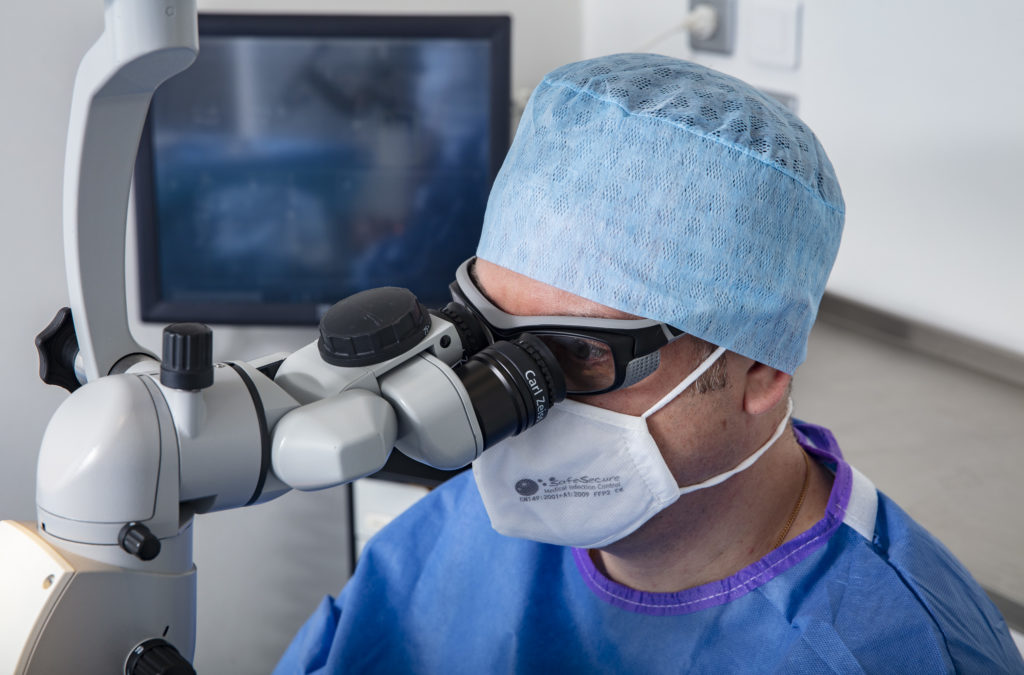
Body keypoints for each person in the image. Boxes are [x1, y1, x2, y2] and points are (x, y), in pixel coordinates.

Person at [274, 53, 1023, 673]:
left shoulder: (896, 649)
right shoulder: (467, 532)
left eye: (574, 351)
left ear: (763, 366)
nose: (514, 402)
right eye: (486, 326)